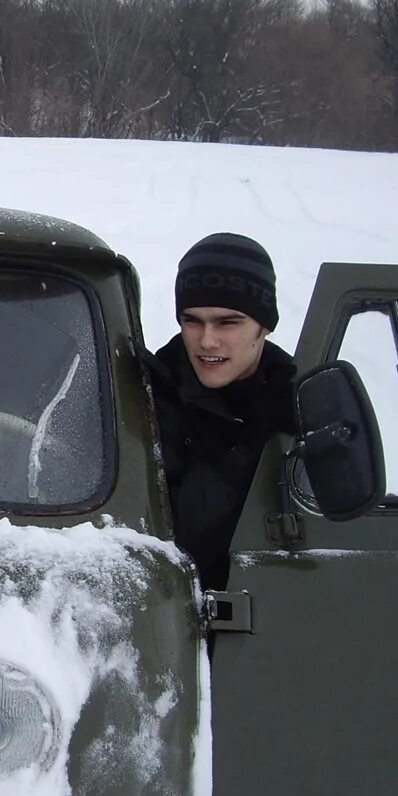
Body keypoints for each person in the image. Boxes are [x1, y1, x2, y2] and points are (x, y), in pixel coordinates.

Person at [146, 233, 297, 591]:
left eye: (228, 323)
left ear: (264, 324)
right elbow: (178, 544)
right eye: (192, 320)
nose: (207, 341)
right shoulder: (148, 396)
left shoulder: (299, 398)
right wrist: (250, 447)